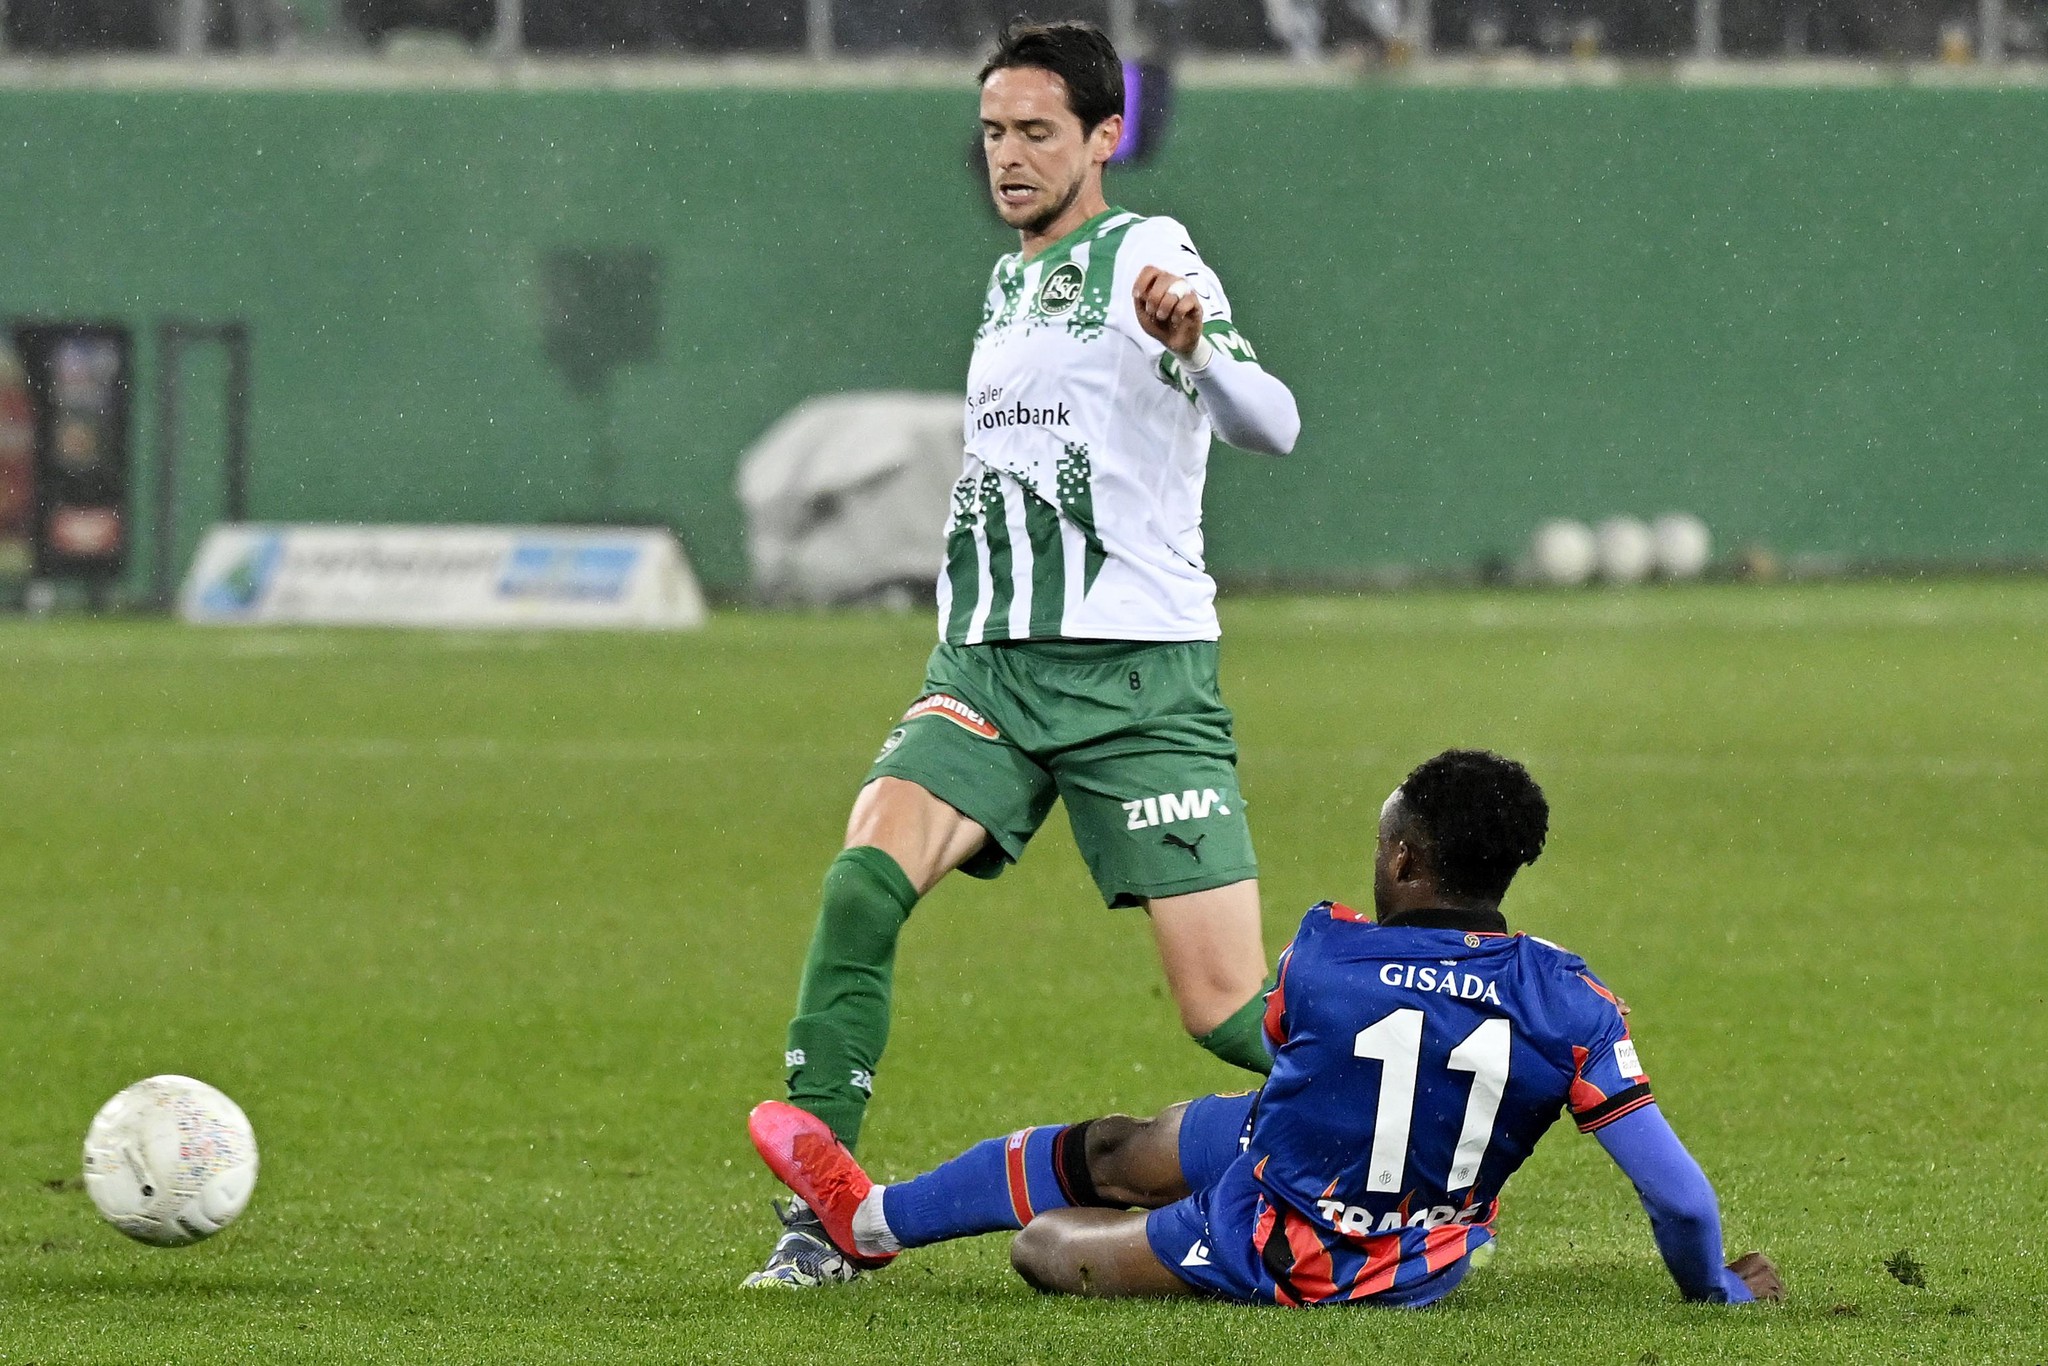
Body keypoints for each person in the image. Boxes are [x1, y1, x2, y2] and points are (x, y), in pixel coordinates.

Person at [744, 18, 1302, 1289]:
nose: (1007, 154)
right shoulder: (1007, 285)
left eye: (1037, 132)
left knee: (1225, 1009)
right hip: (988, 668)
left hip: (1134, 681)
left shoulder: (1146, 252)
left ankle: (1416, 1131)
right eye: (993, 130)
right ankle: (820, 1217)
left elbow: (1271, 421)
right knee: (860, 886)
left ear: (1104, 136)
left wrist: (1194, 347)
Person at [748, 750, 1786, 1308]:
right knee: (1125, 1144)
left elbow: (1303, 1040)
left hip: (1289, 1245)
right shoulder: (1570, 996)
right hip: (1418, 1236)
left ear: (1404, 862)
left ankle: (911, 1226)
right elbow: (1678, 1197)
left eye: (1383, 842)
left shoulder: (1324, 951)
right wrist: (1711, 1289)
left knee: (1043, 1246)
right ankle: (867, 1220)